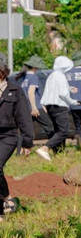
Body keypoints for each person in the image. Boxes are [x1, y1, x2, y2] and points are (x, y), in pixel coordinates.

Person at [0, 60, 33, 215]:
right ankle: (6, 198)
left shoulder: (15, 90)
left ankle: (6, 198)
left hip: (8, 135)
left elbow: (24, 117)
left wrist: (27, 142)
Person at [36, 56, 79, 161]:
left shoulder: (52, 75)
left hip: (51, 106)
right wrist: (73, 102)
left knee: (58, 130)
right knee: (63, 131)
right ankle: (45, 148)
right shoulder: (60, 76)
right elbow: (63, 94)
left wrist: (69, 88)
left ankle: (59, 152)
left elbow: (54, 89)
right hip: (59, 106)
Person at [19, 55, 50, 151]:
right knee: (49, 126)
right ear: (35, 67)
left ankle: (20, 151)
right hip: (35, 107)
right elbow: (31, 93)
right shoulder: (34, 77)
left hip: (24, 108)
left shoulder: (22, 77)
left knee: (25, 131)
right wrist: (34, 107)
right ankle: (53, 147)